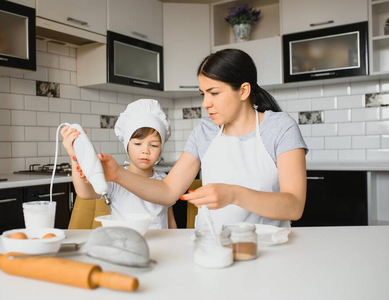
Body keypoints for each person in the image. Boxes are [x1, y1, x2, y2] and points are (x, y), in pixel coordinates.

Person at [97, 49, 308, 229]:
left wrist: (234, 194)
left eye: (214, 93)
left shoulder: (279, 127)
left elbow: (294, 205)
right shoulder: (205, 131)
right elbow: (168, 191)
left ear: (243, 91)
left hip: (266, 248)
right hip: (210, 245)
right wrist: (116, 174)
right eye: (203, 94)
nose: (205, 103)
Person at [61, 99, 177, 229]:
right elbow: (85, 193)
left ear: (161, 149)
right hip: (125, 243)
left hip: (159, 244)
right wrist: (74, 156)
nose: (146, 150)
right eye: (138, 144)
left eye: (154, 145)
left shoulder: (164, 181)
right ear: (126, 146)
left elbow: (170, 220)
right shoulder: (115, 178)